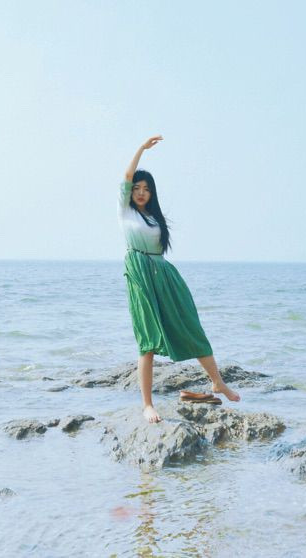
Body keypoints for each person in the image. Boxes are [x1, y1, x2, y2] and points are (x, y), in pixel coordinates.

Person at [118, 135, 241, 423]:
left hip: (164, 273)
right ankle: (147, 405)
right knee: (148, 339)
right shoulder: (125, 212)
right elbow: (126, 176)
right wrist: (141, 149)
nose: (141, 193)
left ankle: (217, 382)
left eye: (146, 189)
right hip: (140, 275)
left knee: (189, 324)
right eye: (137, 188)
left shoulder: (155, 218)